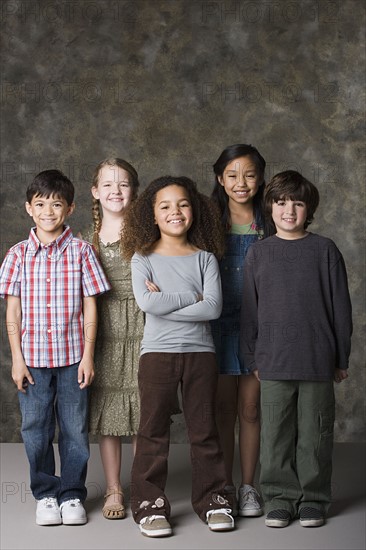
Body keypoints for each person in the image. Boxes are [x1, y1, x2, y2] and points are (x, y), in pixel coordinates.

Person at [121, 175, 235, 537]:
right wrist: (192, 296)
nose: (175, 211)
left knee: (205, 431)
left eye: (183, 204)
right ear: (151, 215)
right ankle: (149, 504)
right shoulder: (143, 258)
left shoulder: (205, 258)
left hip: (201, 354)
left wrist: (170, 298)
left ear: (194, 210)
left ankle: (214, 499)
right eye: (165, 205)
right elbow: (147, 303)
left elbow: (214, 308)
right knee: (153, 431)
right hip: (157, 355)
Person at [240, 170, 352, 528]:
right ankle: (279, 497)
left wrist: (340, 357)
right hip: (273, 362)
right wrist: (252, 357)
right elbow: (249, 311)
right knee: (275, 434)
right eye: (281, 202)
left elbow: (340, 309)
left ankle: (314, 499)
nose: (289, 210)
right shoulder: (259, 253)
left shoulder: (325, 250)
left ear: (309, 209)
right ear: (270, 206)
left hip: (318, 360)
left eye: (298, 203)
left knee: (315, 433)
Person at [0, 170, 111, 526]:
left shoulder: (81, 251)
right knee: (35, 428)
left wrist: (88, 355)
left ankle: (72, 495)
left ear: (71, 208)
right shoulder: (17, 255)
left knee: (75, 429)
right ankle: (46, 493)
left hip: (72, 359)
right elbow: (13, 310)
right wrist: (16, 359)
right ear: (29, 208)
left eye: (57, 204)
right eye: (41, 204)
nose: (49, 211)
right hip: (32, 361)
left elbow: (91, 305)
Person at [79, 157, 144, 520]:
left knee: (141, 409)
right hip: (101, 332)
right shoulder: (84, 241)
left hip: (142, 327)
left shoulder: (147, 234)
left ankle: (144, 483)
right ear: (95, 192)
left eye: (123, 184)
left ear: (133, 190)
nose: (115, 191)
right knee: (108, 415)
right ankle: (114, 489)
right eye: (108, 184)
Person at [210, 143, 267, 517]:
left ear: (260, 179)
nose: (240, 182)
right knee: (223, 410)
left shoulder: (273, 223)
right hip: (214, 326)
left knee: (250, 409)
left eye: (248, 174)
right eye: (232, 175)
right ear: (220, 179)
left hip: (258, 328)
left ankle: (249, 487)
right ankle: (224, 487)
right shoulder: (207, 222)